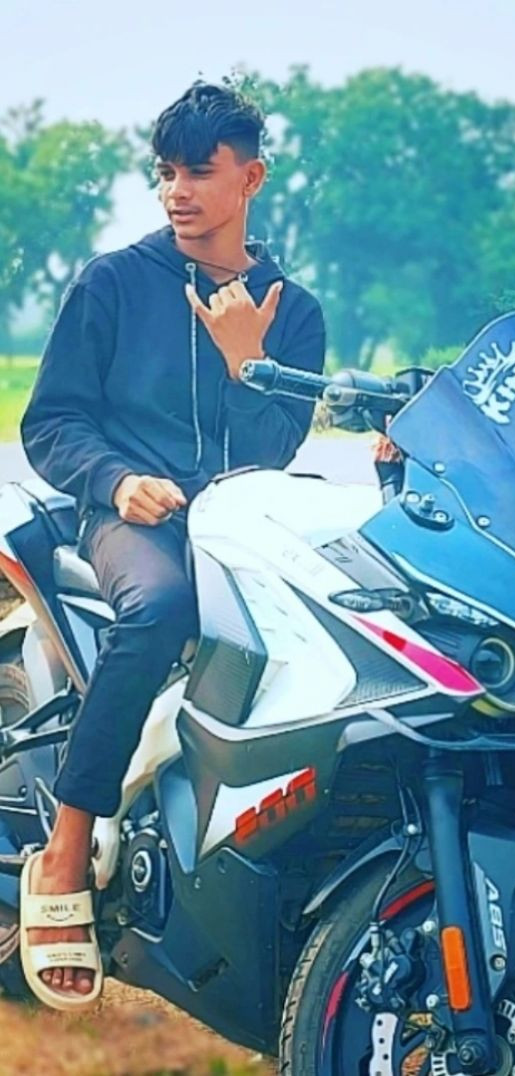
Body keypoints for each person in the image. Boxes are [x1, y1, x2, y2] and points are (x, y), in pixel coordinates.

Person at [19, 80, 326, 1009]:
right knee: (159, 608)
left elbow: (273, 452)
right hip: (130, 521)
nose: (177, 191)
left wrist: (246, 363)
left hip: (244, 523)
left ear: (251, 179)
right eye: (166, 173)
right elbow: (51, 422)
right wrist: (116, 481)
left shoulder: (294, 311)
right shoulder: (112, 283)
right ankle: (68, 841)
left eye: (198, 171)